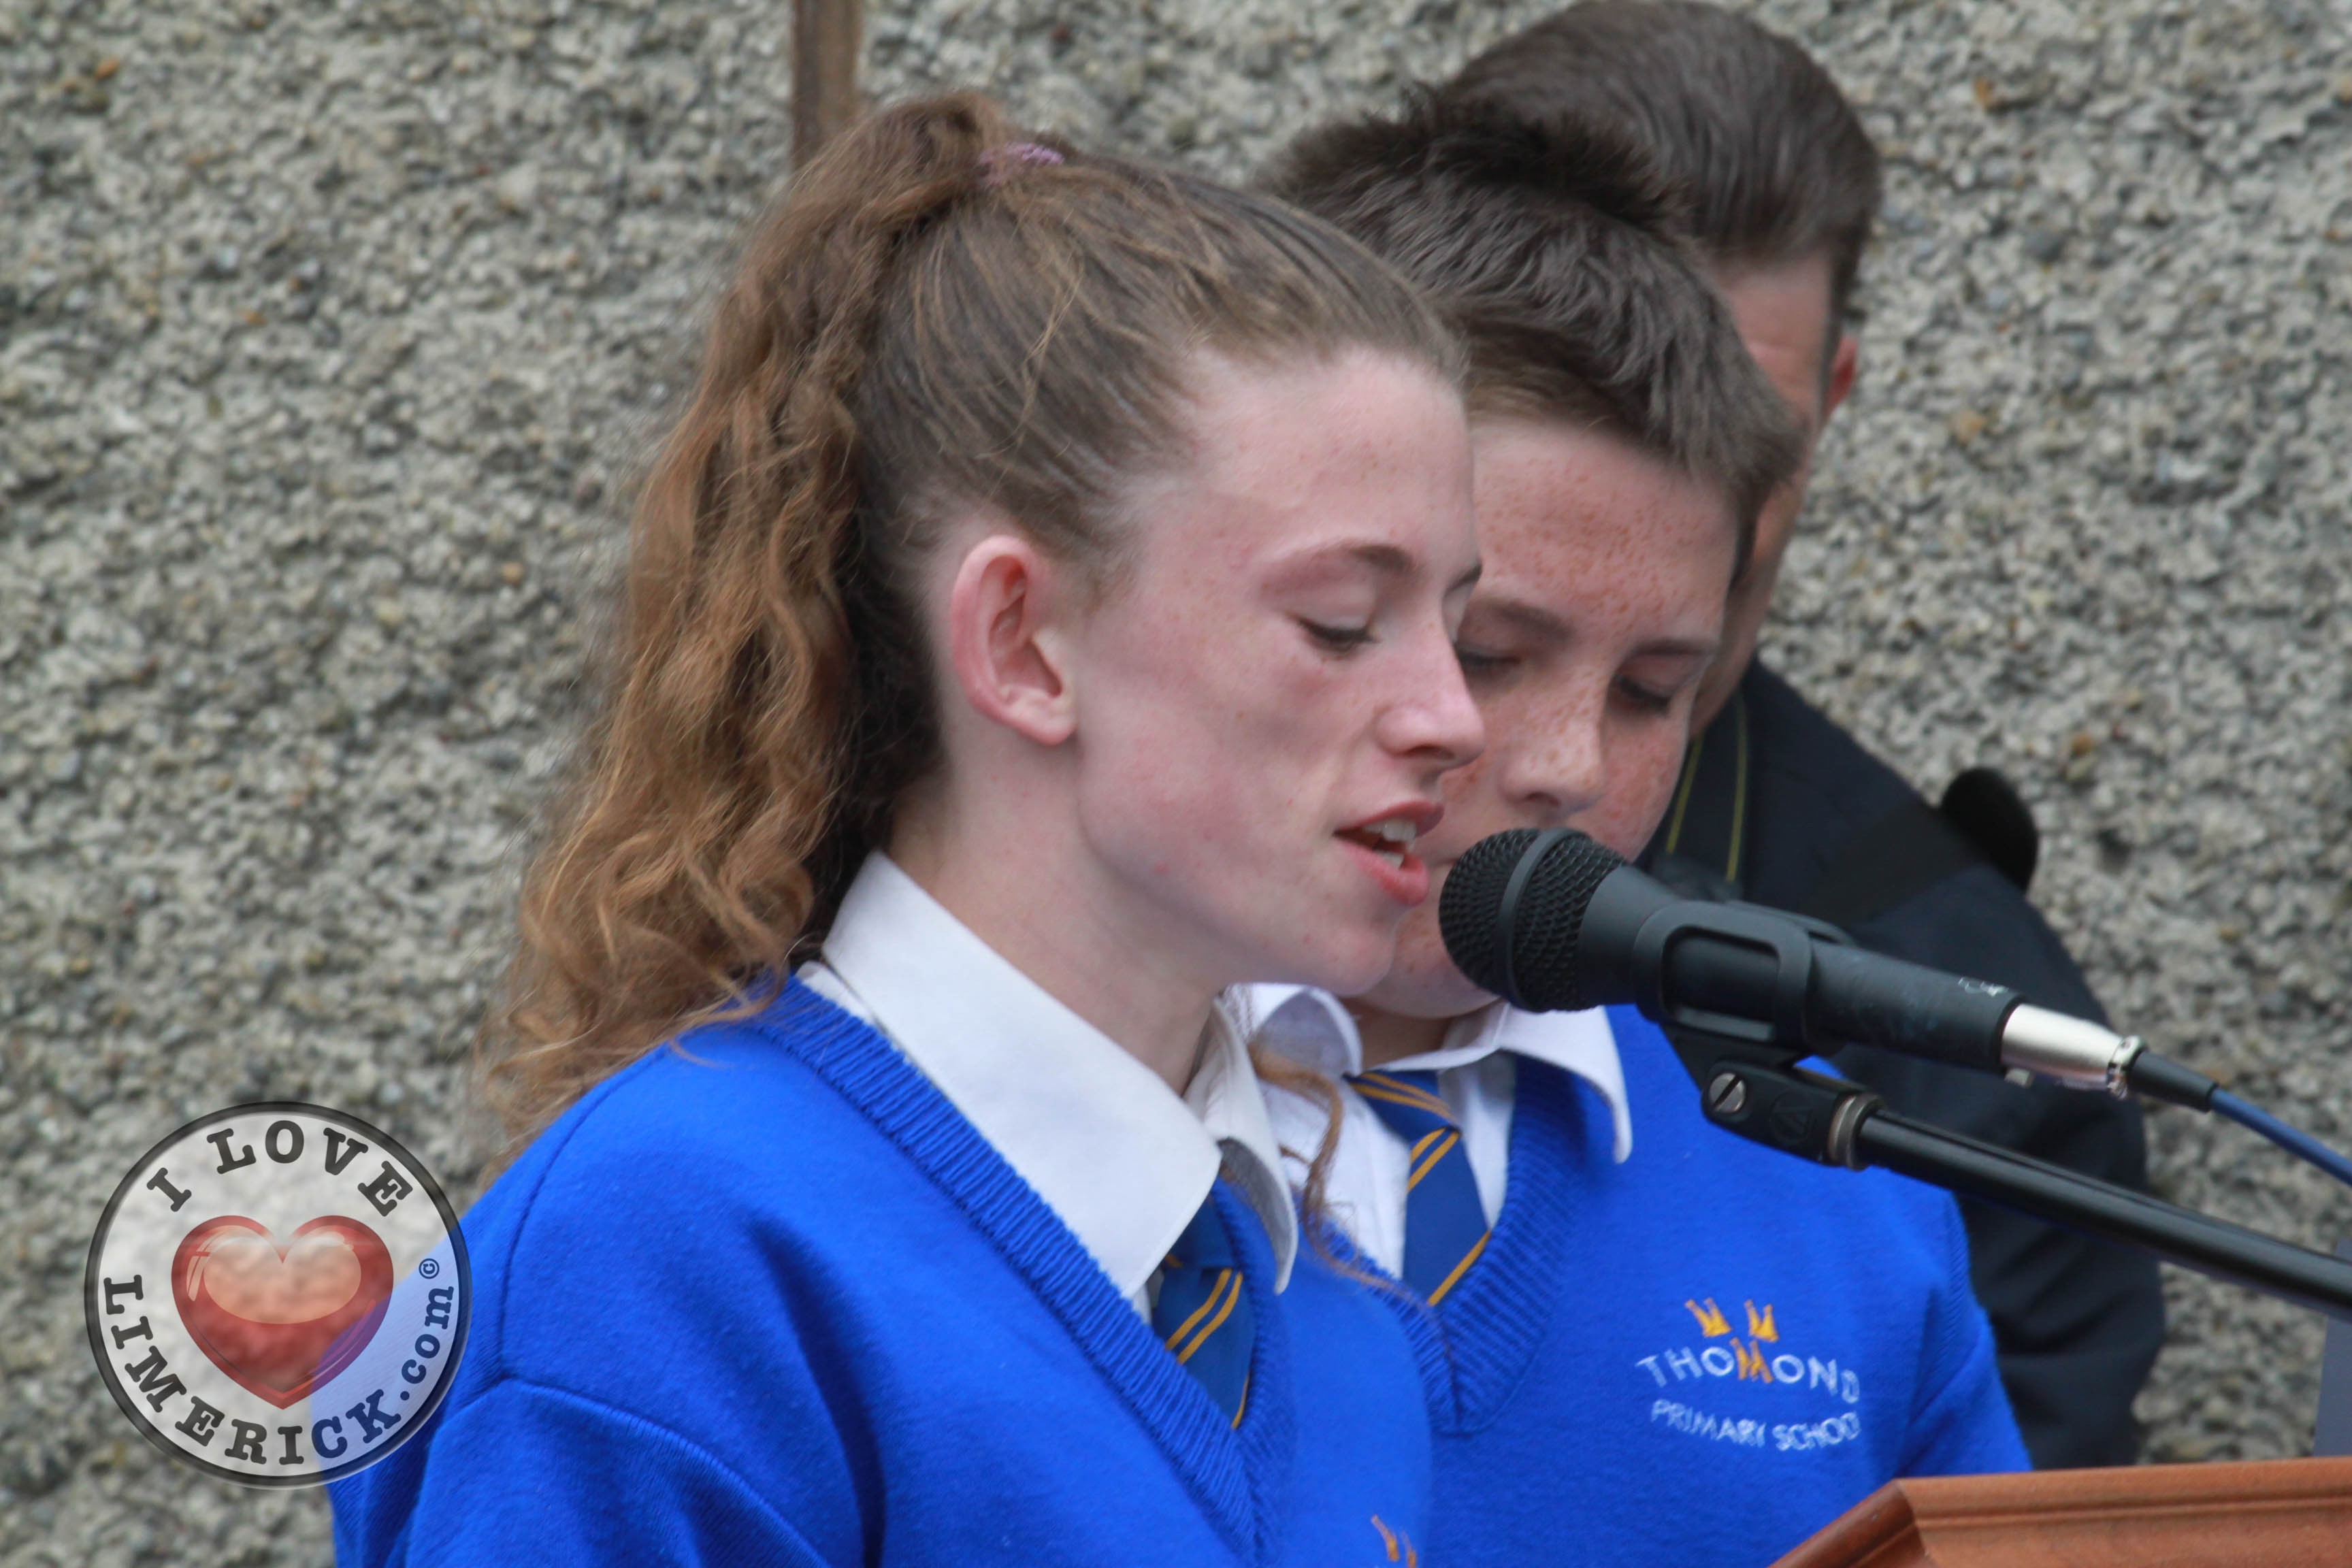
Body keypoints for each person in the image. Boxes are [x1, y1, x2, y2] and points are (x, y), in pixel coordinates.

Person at [329, 94, 1493, 1566]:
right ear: (1021, 641)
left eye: (1462, 629)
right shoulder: (672, 1257)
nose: (1455, 717)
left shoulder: (1334, 1314)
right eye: (1341, 621)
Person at [1250, 97, 2027, 1567]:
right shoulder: (1004, 1126)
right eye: (1486, 652)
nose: (1569, 769)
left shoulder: (1838, 1197)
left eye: (1656, 691)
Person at [1441, 0, 2164, 1471]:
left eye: (1730, 416)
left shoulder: (1964, 999)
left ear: (1828, 402)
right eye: (1489, 650)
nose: (1567, 767)